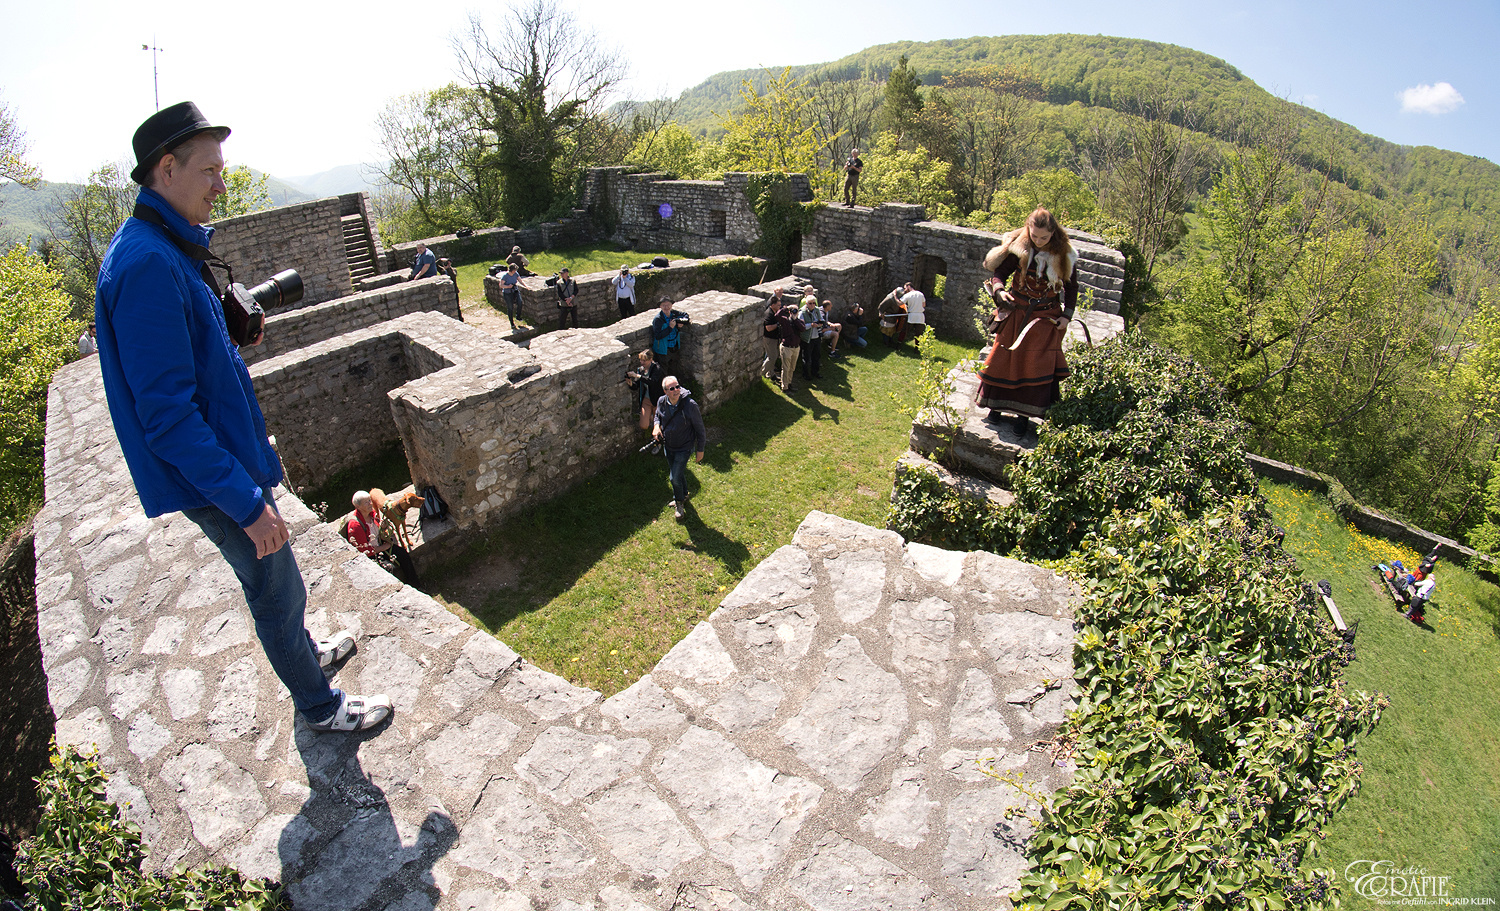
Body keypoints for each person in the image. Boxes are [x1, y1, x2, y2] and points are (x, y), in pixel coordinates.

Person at [95, 101, 389, 733]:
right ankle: (320, 705)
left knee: (283, 583)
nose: (221, 185)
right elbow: (167, 417)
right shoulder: (146, 263)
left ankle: (305, 658)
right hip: (211, 472)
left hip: (223, 456)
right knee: (275, 588)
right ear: (166, 169)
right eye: (210, 171)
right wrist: (245, 502)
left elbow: (192, 359)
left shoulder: (162, 247)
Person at [976, 207, 1078, 436]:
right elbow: (999, 274)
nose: (1039, 241)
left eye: (1044, 237)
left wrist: (1066, 315)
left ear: (1053, 232)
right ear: (1028, 229)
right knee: (1002, 359)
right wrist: (1000, 291)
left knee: (1033, 365)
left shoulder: (1064, 254)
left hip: (1044, 318)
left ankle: (1023, 416)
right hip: (1016, 312)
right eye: (1034, 236)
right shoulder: (1019, 246)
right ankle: (995, 407)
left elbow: (1072, 287)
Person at [652, 375, 706, 520]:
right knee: (678, 473)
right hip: (669, 446)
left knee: (674, 477)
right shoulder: (662, 401)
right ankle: (685, 494)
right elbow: (657, 415)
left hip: (684, 447)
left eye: (677, 386)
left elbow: (700, 429)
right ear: (665, 391)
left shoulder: (690, 405)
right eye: (672, 388)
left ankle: (679, 502)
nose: (676, 390)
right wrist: (656, 426)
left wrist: (700, 450)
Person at [347, 490, 419, 586]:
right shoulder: (355, 525)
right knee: (389, 569)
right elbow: (363, 550)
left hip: (381, 545)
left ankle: (415, 584)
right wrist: (384, 547)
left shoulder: (371, 514)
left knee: (403, 554)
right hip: (372, 554)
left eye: (370, 500)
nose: (370, 503)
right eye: (366, 502)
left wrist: (383, 527)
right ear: (358, 506)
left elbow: (377, 531)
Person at [625, 349, 665, 430]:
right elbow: (637, 385)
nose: (642, 363)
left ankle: (658, 439)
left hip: (657, 399)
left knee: (660, 425)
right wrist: (631, 384)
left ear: (650, 359)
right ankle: (651, 418)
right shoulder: (641, 370)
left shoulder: (657, 369)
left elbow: (652, 382)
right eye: (641, 360)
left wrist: (637, 376)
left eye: (644, 361)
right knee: (643, 425)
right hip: (647, 399)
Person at [773, 297, 805, 392]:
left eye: (796, 311)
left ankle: (789, 383)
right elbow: (777, 316)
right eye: (793, 311)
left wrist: (795, 319)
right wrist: (786, 308)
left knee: (792, 367)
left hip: (796, 347)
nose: (795, 312)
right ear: (790, 312)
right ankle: (785, 386)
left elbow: (802, 329)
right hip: (787, 347)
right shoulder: (785, 321)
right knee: (786, 368)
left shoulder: (799, 321)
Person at [651, 297, 689, 376]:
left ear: (671, 305)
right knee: (663, 371)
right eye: (664, 305)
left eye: (668, 305)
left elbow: (685, 315)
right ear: (660, 307)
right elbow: (658, 336)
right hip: (663, 349)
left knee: (674, 368)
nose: (666, 307)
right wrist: (670, 328)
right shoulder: (658, 319)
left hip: (674, 347)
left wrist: (681, 322)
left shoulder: (673, 314)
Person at [798, 295, 827, 382]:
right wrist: (810, 325)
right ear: (806, 303)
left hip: (816, 336)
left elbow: (821, 319)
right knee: (807, 358)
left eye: (814, 303)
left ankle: (815, 372)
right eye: (810, 303)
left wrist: (820, 324)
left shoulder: (817, 310)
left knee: (816, 356)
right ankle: (806, 374)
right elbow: (800, 326)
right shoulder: (802, 312)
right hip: (807, 338)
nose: (812, 305)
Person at [761, 289, 786, 380]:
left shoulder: (775, 312)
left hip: (774, 338)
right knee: (772, 357)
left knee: (774, 356)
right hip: (769, 338)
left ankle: (771, 374)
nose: (780, 307)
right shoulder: (769, 314)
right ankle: (761, 373)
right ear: (773, 305)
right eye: (778, 305)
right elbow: (768, 328)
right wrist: (778, 325)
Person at [499, 262, 522, 330]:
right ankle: (512, 322)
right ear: (512, 270)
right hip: (507, 293)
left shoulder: (516, 274)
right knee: (510, 307)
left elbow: (520, 280)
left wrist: (526, 286)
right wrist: (508, 286)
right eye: (515, 270)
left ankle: (518, 316)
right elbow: (501, 285)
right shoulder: (505, 276)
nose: (516, 271)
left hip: (515, 291)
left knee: (520, 302)